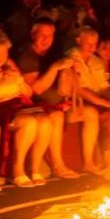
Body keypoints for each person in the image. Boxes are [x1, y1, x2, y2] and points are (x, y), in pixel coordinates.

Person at [0, 27, 51, 187]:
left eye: (6, 52)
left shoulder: (9, 64)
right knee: (28, 123)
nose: (3, 57)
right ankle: (16, 170)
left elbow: (29, 93)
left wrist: (20, 80)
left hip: (19, 106)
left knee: (45, 122)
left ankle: (34, 169)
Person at [16, 18, 78, 179]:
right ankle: (56, 165)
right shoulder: (27, 56)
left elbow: (64, 89)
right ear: (33, 34)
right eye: (42, 35)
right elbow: (35, 90)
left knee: (60, 113)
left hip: (47, 103)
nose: (46, 39)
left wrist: (68, 71)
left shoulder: (51, 54)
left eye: (50, 36)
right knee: (56, 116)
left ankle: (54, 166)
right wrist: (55, 68)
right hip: (25, 103)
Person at [58, 27, 110, 173]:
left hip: (96, 100)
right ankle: (89, 162)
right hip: (74, 102)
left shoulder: (96, 62)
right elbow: (79, 91)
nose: (92, 47)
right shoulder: (69, 60)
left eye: (94, 44)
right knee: (93, 114)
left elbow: (103, 88)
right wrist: (108, 103)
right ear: (78, 40)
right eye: (88, 43)